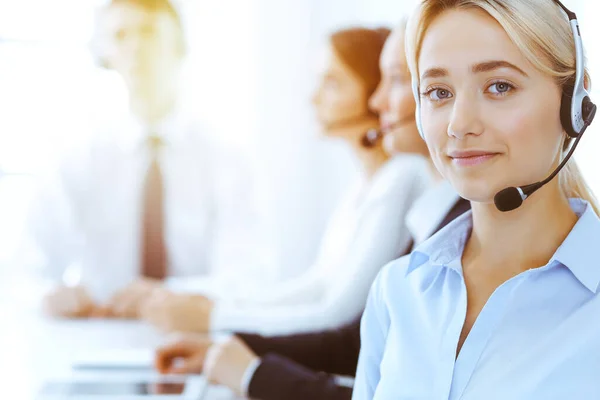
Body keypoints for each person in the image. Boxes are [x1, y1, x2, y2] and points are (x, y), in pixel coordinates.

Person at [152, 20, 471, 400]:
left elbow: (341, 320)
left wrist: (232, 341)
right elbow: (350, 328)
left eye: (333, 83)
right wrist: (226, 335)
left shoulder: (409, 186)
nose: (377, 101)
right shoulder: (411, 203)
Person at [353, 0, 600, 398]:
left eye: (499, 86)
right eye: (438, 92)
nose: (459, 124)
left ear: (574, 101)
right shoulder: (397, 291)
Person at [30, 0, 274, 320]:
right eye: (120, 35)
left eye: (148, 32)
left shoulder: (226, 157)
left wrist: (169, 297)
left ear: (179, 45)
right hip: (97, 336)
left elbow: (249, 276)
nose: (135, 48)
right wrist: (48, 296)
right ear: (104, 54)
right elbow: (26, 268)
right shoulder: (78, 159)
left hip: (195, 338)